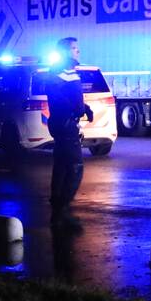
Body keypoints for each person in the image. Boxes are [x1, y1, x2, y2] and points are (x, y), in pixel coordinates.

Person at [45, 37, 93, 228]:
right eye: (74, 48)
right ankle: (62, 210)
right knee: (75, 168)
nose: (77, 51)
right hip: (66, 126)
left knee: (61, 167)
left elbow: (66, 98)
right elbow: (64, 100)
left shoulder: (59, 72)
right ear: (65, 51)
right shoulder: (65, 73)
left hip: (60, 123)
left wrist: (84, 108)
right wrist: (78, 111)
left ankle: (57, 213)